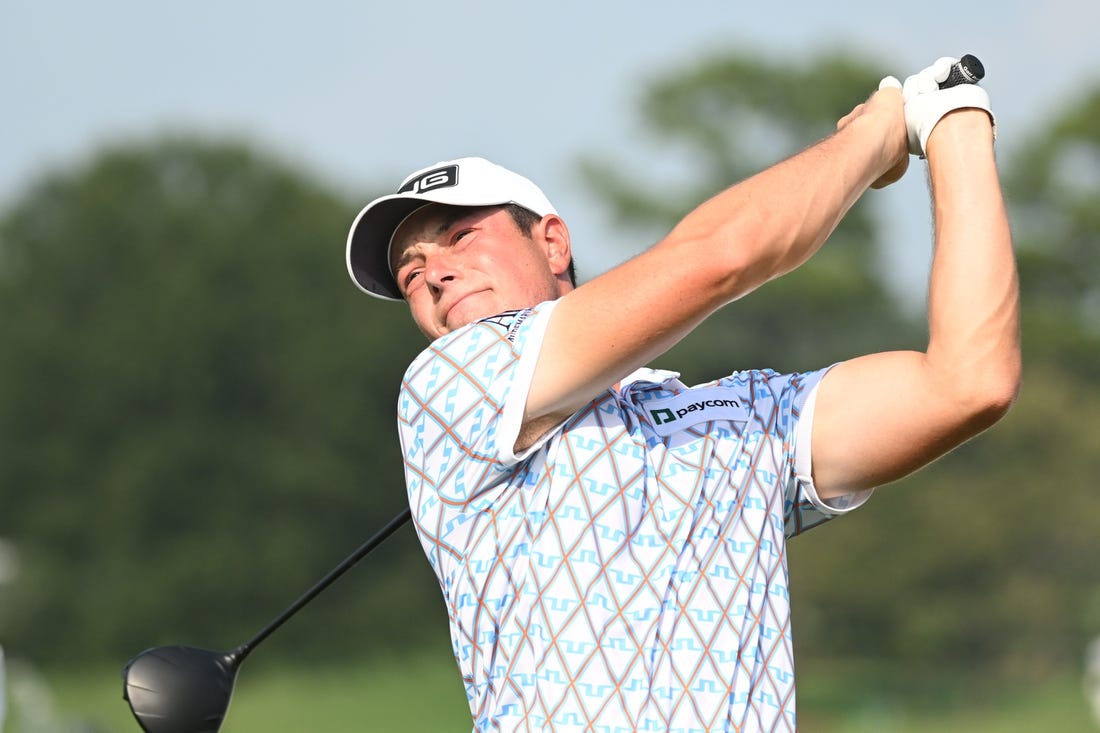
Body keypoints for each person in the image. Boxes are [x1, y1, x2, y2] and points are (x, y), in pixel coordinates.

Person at [344, 57, 1020, 731]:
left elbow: (969, 382)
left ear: (552, 243)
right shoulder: (447, 383)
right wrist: (874, 136)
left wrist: (953, 125)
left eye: (461, 237)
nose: (434, 274)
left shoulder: (730, 419)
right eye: (411, 272)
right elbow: (723, 256)